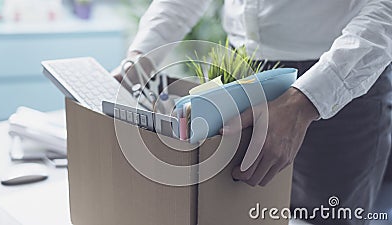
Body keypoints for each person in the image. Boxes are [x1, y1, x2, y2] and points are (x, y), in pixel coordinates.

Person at [112, 1, 392, 224]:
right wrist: (143, 55)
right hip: (242, 70)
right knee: (239, 213)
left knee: (324, 217)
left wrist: (306, 101)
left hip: (336, 77)